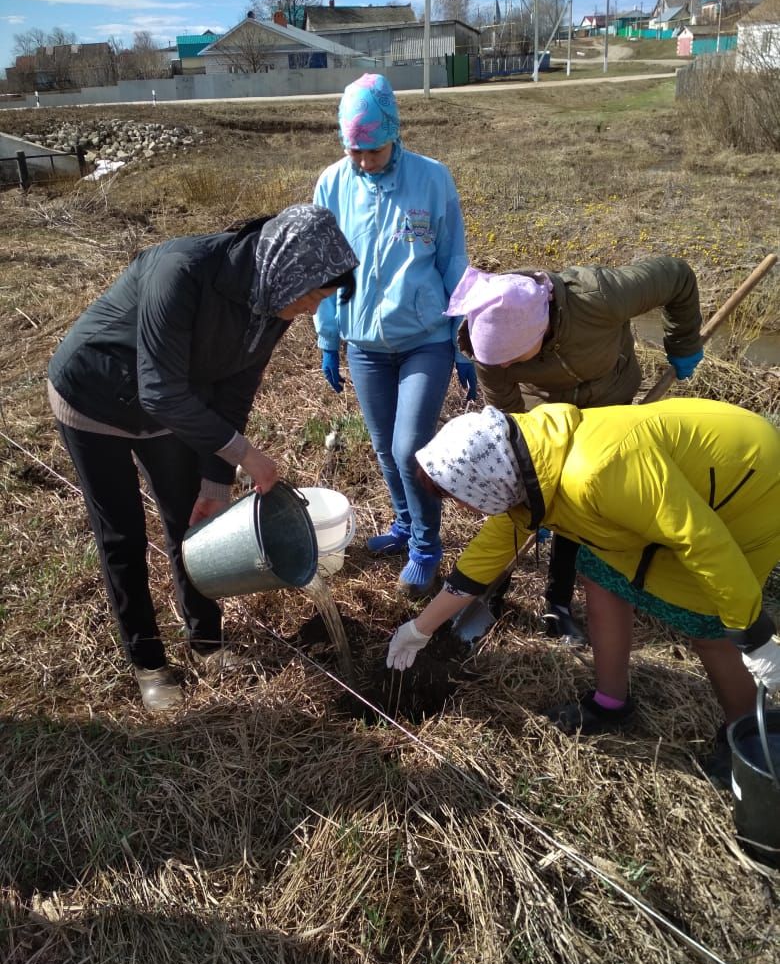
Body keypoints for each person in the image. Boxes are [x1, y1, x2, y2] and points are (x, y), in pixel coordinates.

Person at [48, 204, 359, 713]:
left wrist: (216, 485)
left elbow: (235, 391)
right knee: (121, 532)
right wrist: (246, 456)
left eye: (321, 301)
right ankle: (148, 661)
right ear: (286, 268)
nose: (310, 310)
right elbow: (159, 392)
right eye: (313, 296)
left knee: (191, 521)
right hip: (93, 396)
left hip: (172, 407)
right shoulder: (183, 272)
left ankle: (207, 643)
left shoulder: (272, 301)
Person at [385, 402, 780, 777]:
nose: (464, 510)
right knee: (600, 574)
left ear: (487, 483)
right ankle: (611, 703)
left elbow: (701, 540)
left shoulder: (596, 472)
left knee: (706, 621)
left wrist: (754, 633)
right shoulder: (525, 466)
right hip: (662, 499)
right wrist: (419, 630)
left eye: (460, 499)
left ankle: (746, 737)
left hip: (746, 482)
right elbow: (480, 563)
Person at [446, 257, 705, 644]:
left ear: (541, 329)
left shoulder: (601, 296)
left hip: (609, 404)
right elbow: (507, 413)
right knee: (522, 500)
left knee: (580, 504)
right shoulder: (489, 347)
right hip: (544, 415)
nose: (508, 366)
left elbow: (679, 277)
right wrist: (532, 484)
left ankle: (558, 602)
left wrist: (682, 342)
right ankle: (490, 589)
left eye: (516, 358)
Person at [313, 72, 477, 600]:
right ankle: (405, 524)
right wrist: (329, 336)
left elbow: (452, 258)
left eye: (373, 149)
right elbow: (324, 268)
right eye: (354, 150)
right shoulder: (332, 184)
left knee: (410, 448)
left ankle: (427, 547)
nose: (363, 161)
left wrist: (466, 336)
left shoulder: (431, 180)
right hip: (365, 343)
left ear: (395, 133)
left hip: (425, 337)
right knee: (385, 448)